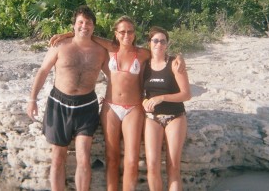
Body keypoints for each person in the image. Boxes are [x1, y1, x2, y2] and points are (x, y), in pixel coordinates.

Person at [51, 16, 185, 191]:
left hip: (134, 108)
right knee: (111, 157)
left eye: (130, 31)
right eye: (122, 31)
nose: (126, 35)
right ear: (116, 33)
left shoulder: (142, 53)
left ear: (134, 34)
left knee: (131, 159)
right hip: (110, 107)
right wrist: (68, 34)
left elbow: (161, 52)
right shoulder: (109, 49)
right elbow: (87, 35)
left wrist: (180, 57)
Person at [26, 5, 109, 191]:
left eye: (88, 23)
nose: (84, 26)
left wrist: (110, 99)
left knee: (84, 157)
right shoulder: (60, 46)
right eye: (80, 22)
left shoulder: (101, 51)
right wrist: (32, 99)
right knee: (57, 157)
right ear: (73, 25)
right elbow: (43, 71)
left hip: (87, 107)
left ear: (94, 27)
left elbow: (115, 77)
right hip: (58, 106)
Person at [142, 26, 191, 191]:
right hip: (152, 118)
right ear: (149, 42)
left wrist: (161, 97)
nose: (159, 44)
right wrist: (144, 102)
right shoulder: (144, 65)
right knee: (152, 165)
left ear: (167, 44)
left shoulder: (174, 64)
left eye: (163, 41)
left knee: (173, 166)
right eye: (155, 40)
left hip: (175, 116)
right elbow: (138, 93)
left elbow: (186, 94)